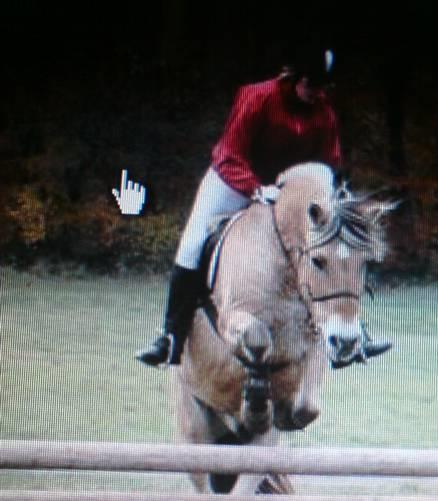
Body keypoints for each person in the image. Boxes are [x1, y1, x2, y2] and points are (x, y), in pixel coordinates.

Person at [135, 47, 391, 367]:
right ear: (294, 78)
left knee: (331, 245)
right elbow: (231, 153)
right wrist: (256, 189)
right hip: (233, 179)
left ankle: (353, 333)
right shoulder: (257, 97)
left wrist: (326, 198)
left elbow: (328, 163)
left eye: (323, 88)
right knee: (192, 243)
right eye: (312, 85)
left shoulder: (322, 110)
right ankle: (170, 336)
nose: (317, 94)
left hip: (287, 190)